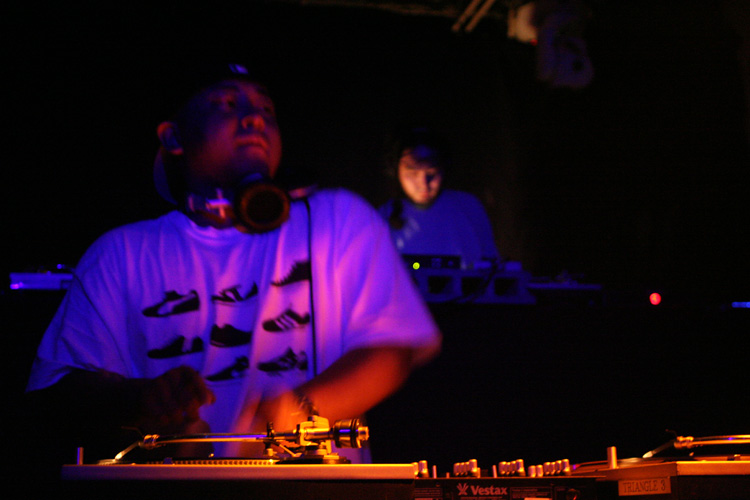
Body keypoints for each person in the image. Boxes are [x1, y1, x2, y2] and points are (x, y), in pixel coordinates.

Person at [24, 63, 441, 464]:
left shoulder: (337, 220)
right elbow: (57, 389)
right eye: (226, 104)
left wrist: (291, 413)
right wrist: (141, 399)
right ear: (173, 136)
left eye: (266, 109)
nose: (255, 118)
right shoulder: (122, 254)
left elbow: (392, 347)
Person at [378, 128, 500, 269]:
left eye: (432, 172)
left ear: (443, 169)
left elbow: (492, 265)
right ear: (395, 170)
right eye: (413, 172)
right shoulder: (384, 216)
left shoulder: (468, 207)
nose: (423, 183)